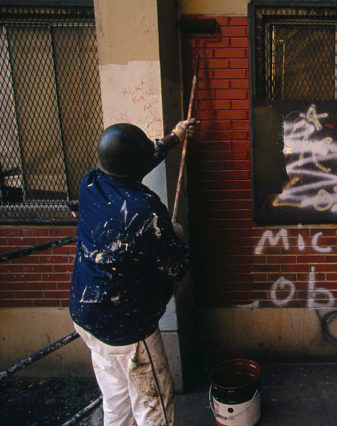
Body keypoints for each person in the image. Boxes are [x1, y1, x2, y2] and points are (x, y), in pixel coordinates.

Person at [69, 118, 197, 425]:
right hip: (126, 327)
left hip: (87, 315)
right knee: (154, 402)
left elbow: (133, 162)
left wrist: (173, 138)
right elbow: (176, 266)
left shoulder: (91, 183)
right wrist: (175, 235)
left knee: (116, 398)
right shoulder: (145, 209)